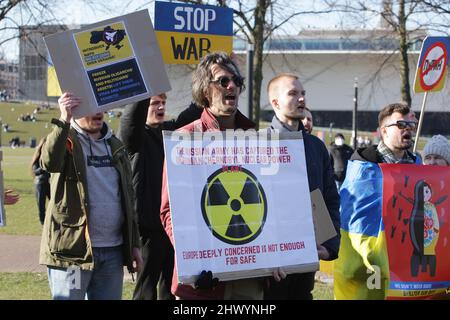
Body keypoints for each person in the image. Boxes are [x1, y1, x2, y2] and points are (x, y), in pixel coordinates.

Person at [160, 52, 268, 300]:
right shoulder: (185, 140)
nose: (232, 86)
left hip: (248, 276)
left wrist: (276, 254)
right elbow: (169, 211)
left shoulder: (257, 140)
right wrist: (194, 256)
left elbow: (268, 202)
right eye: (223, 81)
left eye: (236, 80)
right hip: (202, 278)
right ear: (205, 90)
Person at [39, 92, 143, 300]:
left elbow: (128, 198)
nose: (98, 112)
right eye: (90, 106)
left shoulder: (115, 145)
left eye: (101, 106)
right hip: (72, 253)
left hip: (112, 251)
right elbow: (50, 162)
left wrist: (133, 244)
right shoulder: (66, 139)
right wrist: (64, 119)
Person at [264, 73, 340, 300]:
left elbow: (328, 198)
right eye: (293, 93)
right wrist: (265, 255)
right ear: (275, 102)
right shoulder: (258, 145)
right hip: (270, 269)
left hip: (305, 259)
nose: (301, 99)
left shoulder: (316, 147)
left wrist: (330, 245)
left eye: (303, 93)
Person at [117, 94, 202, 300]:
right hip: (146, 228)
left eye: (163, 103)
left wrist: (209, 83)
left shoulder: (168, 133)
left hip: (170, 226)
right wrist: (143, 91)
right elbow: (130, 120)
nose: (161, 107)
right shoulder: (135, 138)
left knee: (170, 288)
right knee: (146, 287)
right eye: (155, 103)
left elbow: (191, 113)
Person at [334, 102, 421, 300]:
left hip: (405, 256)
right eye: (400, 124)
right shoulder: (364, 166)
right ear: (384, 131)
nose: (407, 129)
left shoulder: (417, 165)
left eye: (411, 125)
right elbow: (356, 217)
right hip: (365, 259)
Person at [30, 138, 51, 225]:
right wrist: (45, 167)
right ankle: (43, 222)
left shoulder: (50, 155)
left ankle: (52, 221)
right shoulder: (38, 156)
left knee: (55, 203)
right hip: (40, 183)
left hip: (49, 183)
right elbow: (35, 170)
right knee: (41, 205)